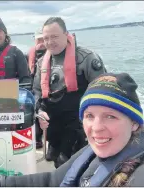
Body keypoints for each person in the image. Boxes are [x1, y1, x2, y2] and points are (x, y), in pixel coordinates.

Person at [0, 72, 144, 187]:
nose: (97, 128)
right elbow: (52, 181)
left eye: (111, 116)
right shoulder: (92, 152)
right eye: (90, 116)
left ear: (134, 123)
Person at [32, 17, 107, 168]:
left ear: (66, 34)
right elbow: (37, 92)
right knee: (56, 162)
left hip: (78, 124)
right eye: (46, 38)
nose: (50, 42)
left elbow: (104, 90)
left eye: (54, 36)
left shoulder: (86, 58)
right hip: (53, 124)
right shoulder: (41, 63)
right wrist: (39, 111)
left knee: (71, 164)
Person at [26, 27, 47, 149]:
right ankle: (38, 139)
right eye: (38, 40)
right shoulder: (28, 55)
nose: (41, 43)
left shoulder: (53, 55)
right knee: (35, 113)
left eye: (42, 40)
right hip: (34, 89)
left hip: (49, 91)